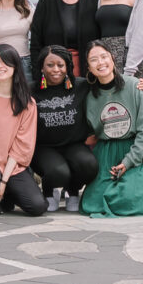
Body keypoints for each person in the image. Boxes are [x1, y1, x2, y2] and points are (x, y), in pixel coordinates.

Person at [81, 41, 143, 217]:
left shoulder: (134, 86)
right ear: (88, 67)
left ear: (113, 58)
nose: (100, 63)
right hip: (106, 152)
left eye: (104, 57)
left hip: (136, 151)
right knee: (92, 203)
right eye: (94, 60)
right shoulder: (88, 96)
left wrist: (128, 162)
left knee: (128, 199)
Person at [0, 45, 47, 216]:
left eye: (5, 62)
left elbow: (21, 146)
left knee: (37, 207)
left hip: (12, 167)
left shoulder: (27, 104)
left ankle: (7, 194)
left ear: (15, 66)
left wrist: (4, 181)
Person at [30, 45, 97, 212]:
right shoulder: (30, 89)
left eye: (60, 65)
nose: (56, 70)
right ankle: (49, 190)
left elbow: (108, 82)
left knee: (90, 166)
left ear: (68, 66)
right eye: (50, 65)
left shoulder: (81, 85)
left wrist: (137, 84)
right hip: (43, 148)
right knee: (59, 173)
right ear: (42, 67)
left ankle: (72, 190)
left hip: (73, 144)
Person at [30, 0, 100, 79]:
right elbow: (36, 40)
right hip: (54, 70)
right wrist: (38, 73)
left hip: (87, 68)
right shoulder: (47, 0)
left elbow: (100, 37)